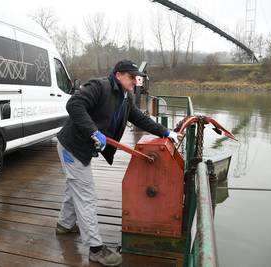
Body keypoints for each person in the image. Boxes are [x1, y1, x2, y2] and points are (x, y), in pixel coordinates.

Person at [55, 60, 182, 267]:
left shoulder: (125, 97)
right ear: (118, 74)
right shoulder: (99, 86)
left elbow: (140, 118)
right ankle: (95, 249)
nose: (135, 81)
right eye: (132, 77)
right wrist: (93, 131)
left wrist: (166, 132)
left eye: (137, 78)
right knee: (86, 194)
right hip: (72, 147)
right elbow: (74, 104)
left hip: (84, 148)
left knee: (75, 186)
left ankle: (64, 224)